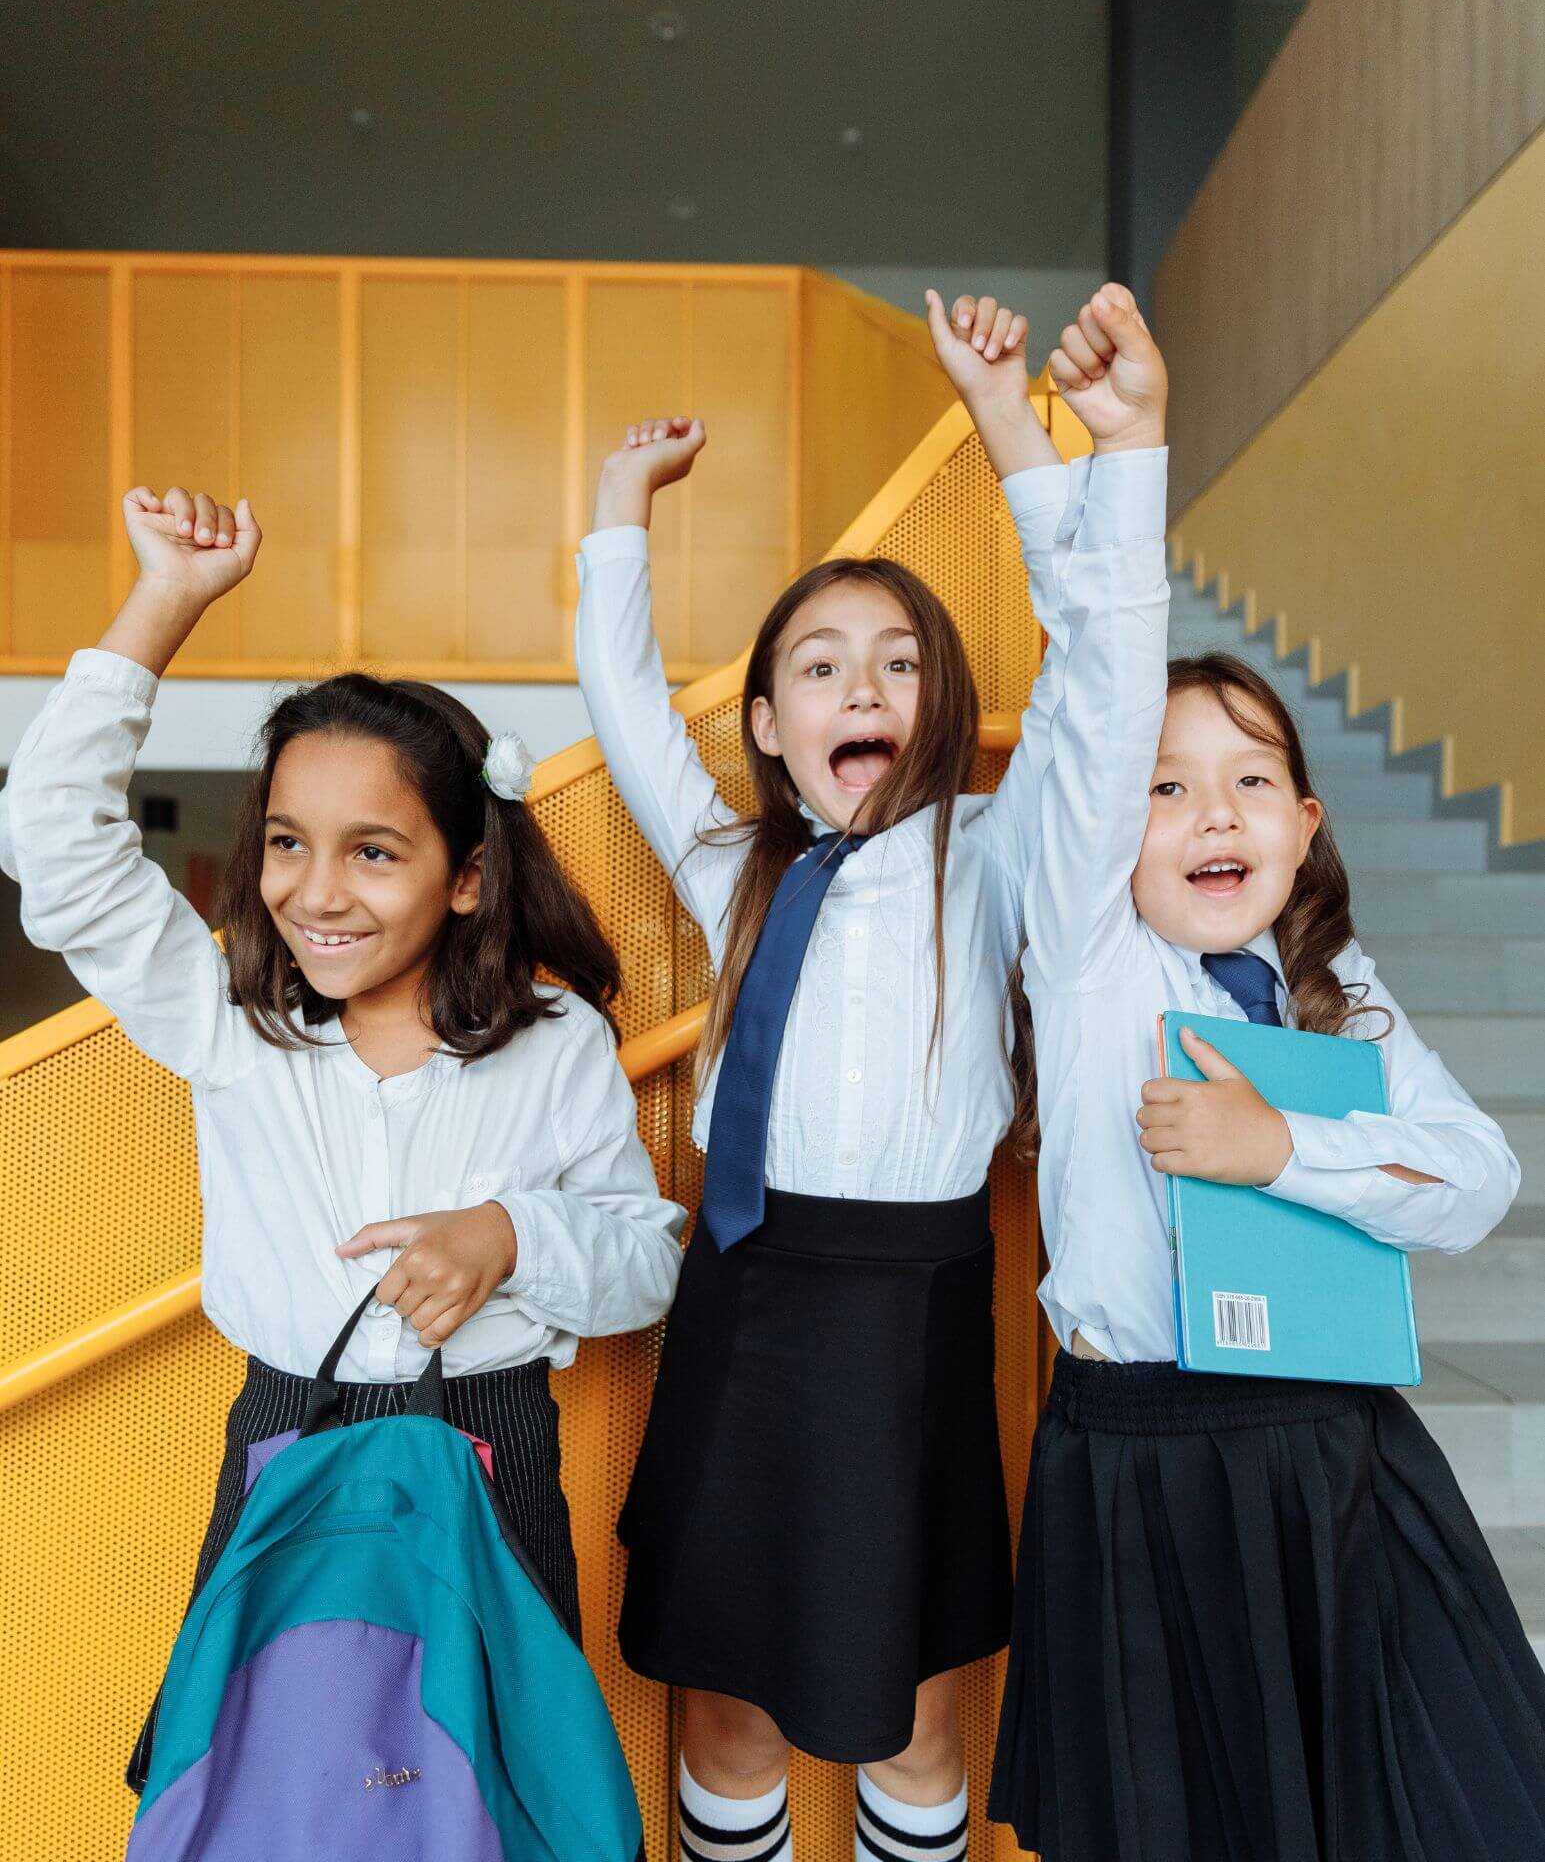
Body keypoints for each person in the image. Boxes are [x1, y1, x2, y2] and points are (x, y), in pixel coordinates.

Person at [573, 288, 1165, 1862]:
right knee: (723, 1698)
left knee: (914, 1702)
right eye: (820, 669)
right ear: (767, 725)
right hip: (740, 1298)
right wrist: (619, 515)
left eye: (898, 663)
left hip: (908, 1313)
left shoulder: (997, 856)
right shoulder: (732, 867)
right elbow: (624, 703)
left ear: (941, 712)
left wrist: (1005, 421)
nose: (860, 690)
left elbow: (1106, 668)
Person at [0, 480, 685, 1792]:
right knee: (257, 1780)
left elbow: (645, 1260)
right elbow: (51, 838)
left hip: (491, 1451)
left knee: (491, 1786)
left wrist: (511, 1237)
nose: (317, 893)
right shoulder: (229, 1023)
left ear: (466, 873)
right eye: (286, 845)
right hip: (285, 1442)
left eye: (374, 853)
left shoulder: (554, 1043)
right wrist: (166, 601)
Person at [987, 288, 1545, 1860]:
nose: (1211, 813)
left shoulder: (1334, 993)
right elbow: (1099, 687)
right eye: (1165, 789)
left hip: (1336, 1453)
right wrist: (1127, 455)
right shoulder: (1091, 962)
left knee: (1413, 1805)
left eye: (1250, 782)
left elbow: (1476, 1182)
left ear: (1305, 826)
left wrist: (1273, 1149)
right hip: (1141, 1459)